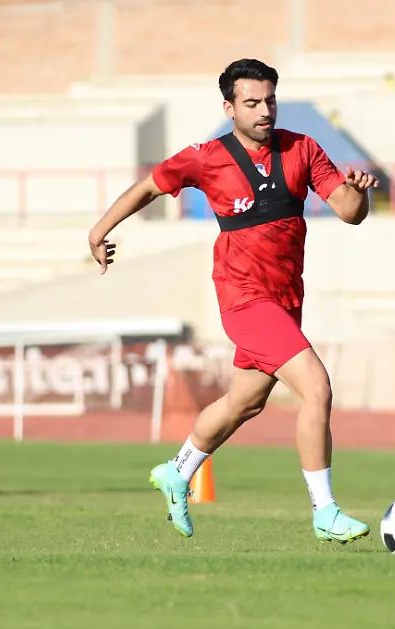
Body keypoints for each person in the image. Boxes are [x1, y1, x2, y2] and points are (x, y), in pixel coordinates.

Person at [87, 58, 379, 543]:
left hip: (286, 298)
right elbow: (148, 188)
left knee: (244, 401)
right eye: (252, 102)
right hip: (243, 298)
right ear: (230, 108)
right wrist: (99, 231)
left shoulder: (303, 148)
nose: (264, 110)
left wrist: (358, 191)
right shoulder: (206, 158)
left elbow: (350, 213)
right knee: (316, 388)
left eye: (270, 100)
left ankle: (178, 470)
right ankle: (325, 512)